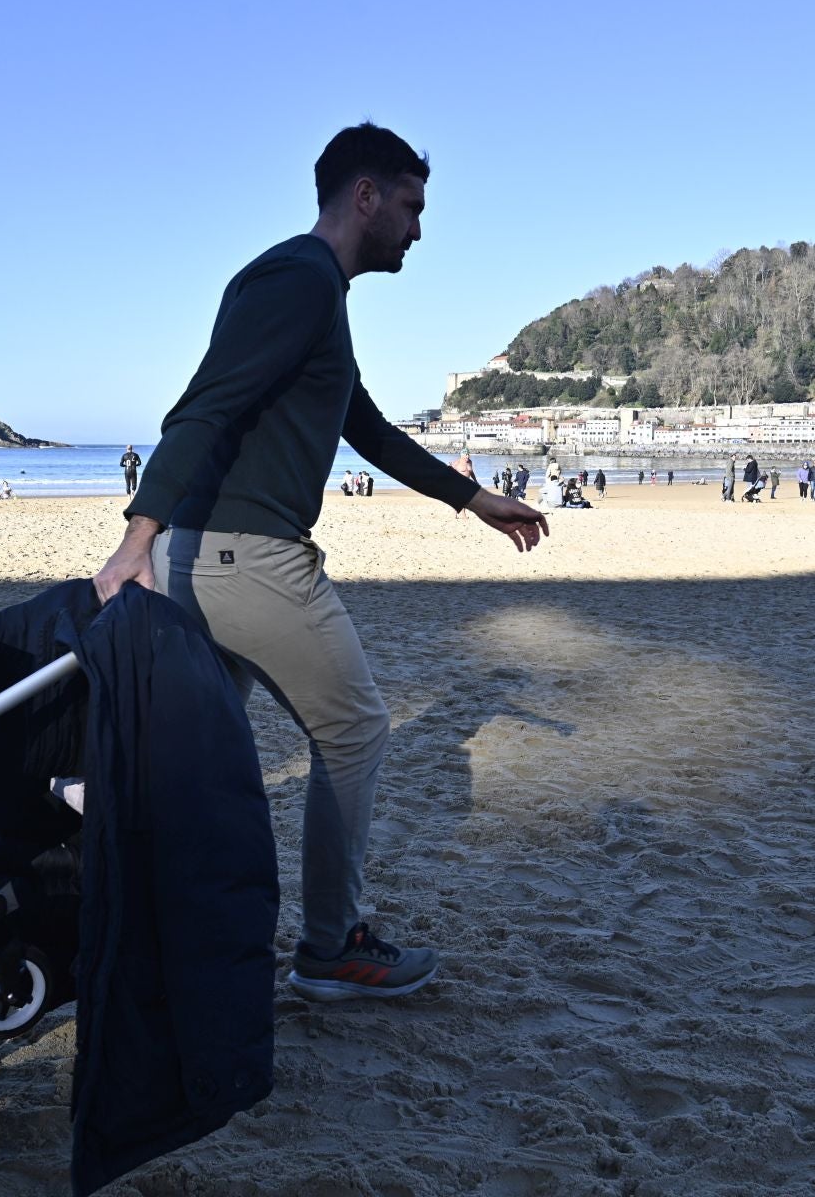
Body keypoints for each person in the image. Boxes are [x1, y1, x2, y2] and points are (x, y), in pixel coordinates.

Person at [90, 123, 548, 1003]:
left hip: (207, 556)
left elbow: (362, 424)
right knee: (356, 730)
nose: (418, 230)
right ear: (364, 196)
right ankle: (332, 948)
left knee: (195, 760)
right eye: (410, 206)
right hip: (249, 559)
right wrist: (134, 540)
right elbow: (203, 407)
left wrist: (471, 498)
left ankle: (144, 920)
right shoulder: (296, 280)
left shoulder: (311, 292)